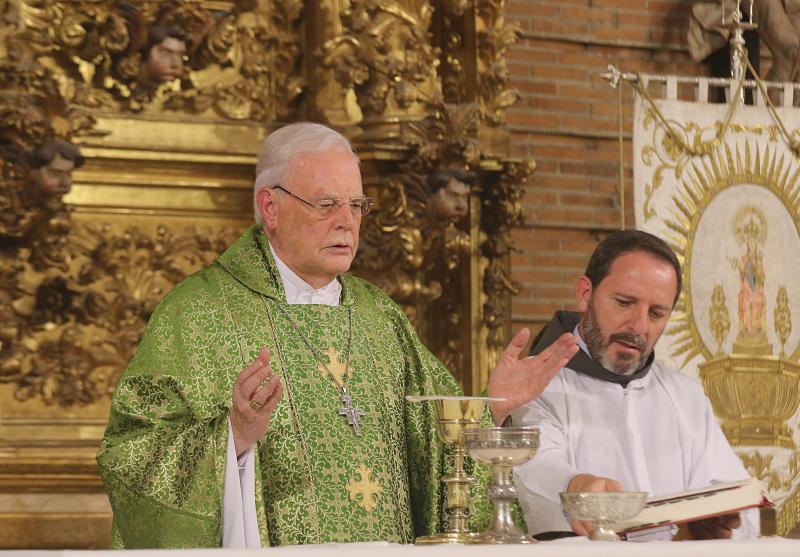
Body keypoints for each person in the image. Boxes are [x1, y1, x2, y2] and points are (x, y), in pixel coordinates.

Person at [96, 122, 578, 548]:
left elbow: (434, 448)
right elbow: (132, 458)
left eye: (356, 205)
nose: (347, 222)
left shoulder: (377, 316)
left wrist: (488, 407)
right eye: (326, 204)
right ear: (271, 207)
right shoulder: (199, 313)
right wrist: (232, 438)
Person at [512, 230, 759, 541]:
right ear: (585, 294)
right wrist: (575, 486)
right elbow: (533, 470)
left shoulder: (685, 397)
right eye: (625, 302)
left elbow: (737, 502)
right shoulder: (537, 385)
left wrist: (716, 524)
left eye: (656, 313)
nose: (639, 327)